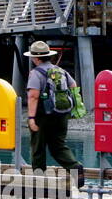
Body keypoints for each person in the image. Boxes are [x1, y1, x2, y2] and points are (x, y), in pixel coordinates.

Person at [23, 40, 84, 186]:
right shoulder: (60, 71)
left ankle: (39, 179)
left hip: (43, 116)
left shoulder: (36, 74)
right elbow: (73, 86)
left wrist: (31, 118)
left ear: (36, 58)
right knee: (58, 146)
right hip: (61, 114)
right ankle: (75, 167)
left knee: (38, 147)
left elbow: (33, 96)